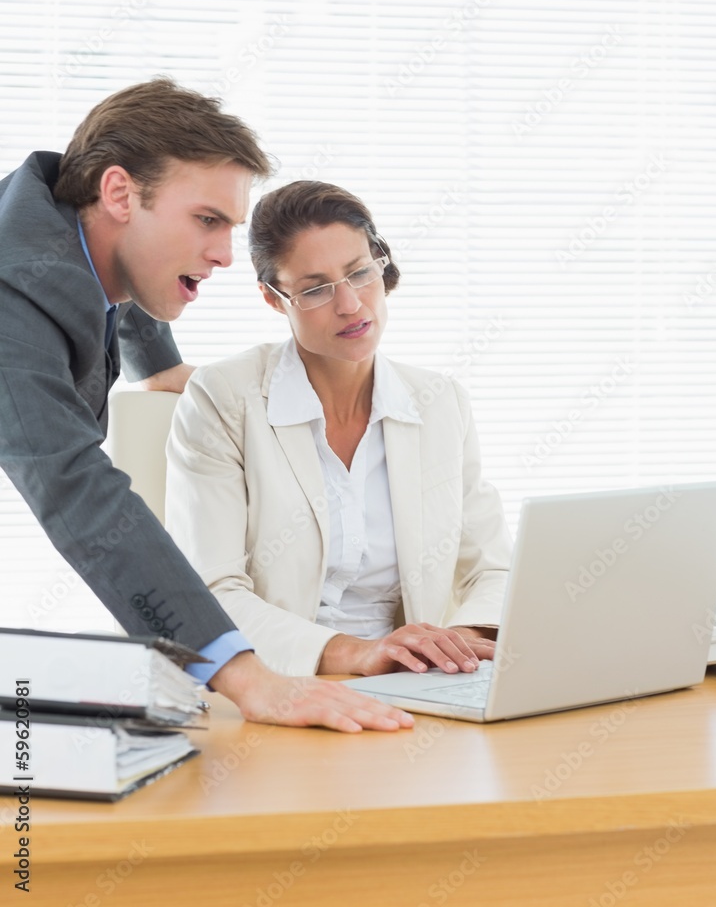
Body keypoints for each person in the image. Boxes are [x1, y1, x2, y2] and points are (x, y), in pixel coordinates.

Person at [0, 80, 415, 734]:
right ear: (117, 192)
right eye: (207, 220)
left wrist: (156, 362)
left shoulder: (60, 221)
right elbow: (76, 492)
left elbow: (112, 264)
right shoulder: (10, 296)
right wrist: (249, 679)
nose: (226, 253)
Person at [165, 180, 513, 677]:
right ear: (272, 297)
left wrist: (456, 641)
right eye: (315, 289)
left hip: (411, 681)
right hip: (273, 680)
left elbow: (494, 568)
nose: (350, 304)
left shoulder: (439, 402)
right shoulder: (223, 398)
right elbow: (210, 590)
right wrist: (355, 653)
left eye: (360, 273)